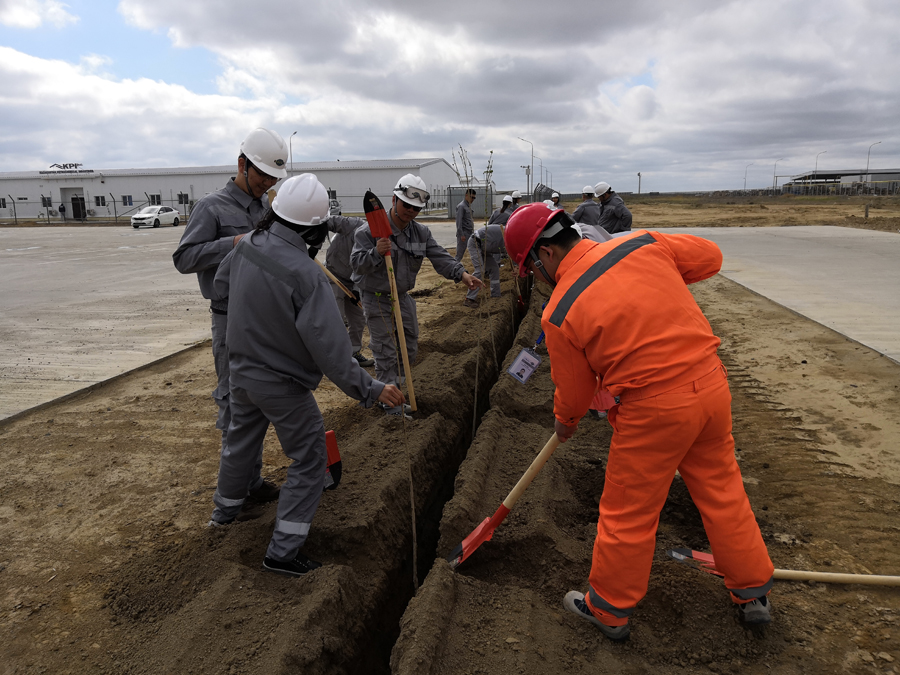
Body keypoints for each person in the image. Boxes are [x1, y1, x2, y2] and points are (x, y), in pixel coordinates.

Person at [503, 203, 774, 641]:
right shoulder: (643, 243)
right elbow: (710, 258)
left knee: (628, 511)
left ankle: (608, 608)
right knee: (723, 490)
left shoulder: (560, 310)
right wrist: (650, 276)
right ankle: (752, 591)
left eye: (532, 270)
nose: (537, 279)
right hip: (710, 387)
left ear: (546, 254)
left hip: (654, 410)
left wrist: (565, 422)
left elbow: (573, 394)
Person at [208, 173, 405, 576]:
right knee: (311, 457)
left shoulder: (246, 246)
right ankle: (282, 552)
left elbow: (220, 291)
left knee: (240, 445)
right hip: (282, 383)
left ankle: (223, 516)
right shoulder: (306, 274)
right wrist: (371, 389)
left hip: (241, 372)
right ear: (314, 229)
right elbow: (333, 353)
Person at [173, 128, 288, 505]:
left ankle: (251, 482)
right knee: (233, 401)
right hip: (229, 318)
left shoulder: (265, 208)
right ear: (242, 165)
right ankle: (235, 494)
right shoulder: (212, 207)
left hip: (262, 318)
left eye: (273, 179)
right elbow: (184, 258)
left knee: (256, 400)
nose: (267, 183)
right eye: (262, 176)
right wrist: (233, 243)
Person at [351, 174, 482, 416]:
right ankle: (388, 402)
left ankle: (397, 389)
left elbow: (440, 256)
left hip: (401, 296)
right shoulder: (369, 231)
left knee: (409, 344)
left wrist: (462, 274)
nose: (411, 211)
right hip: (376, 296)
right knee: (385, 348)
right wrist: (376, 253)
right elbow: (356, 265)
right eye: (407, 205)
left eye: (416, 208)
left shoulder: (421, 233)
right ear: (394, 200)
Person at [324, 212, 375, 367]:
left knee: (358, 318)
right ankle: (333, 357)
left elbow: (369, 269)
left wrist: (356, 289)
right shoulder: (353, 225)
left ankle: (353, 353)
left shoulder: (377, 244)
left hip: (355, 282)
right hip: (333, 275)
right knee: (336, 318)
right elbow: (328, 222)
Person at [463, 222, 506, 308]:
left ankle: (495, 295)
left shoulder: (511, 235)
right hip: (475, 242)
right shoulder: (508, 234)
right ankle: (469, 299)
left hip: (484, 247)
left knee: (494, 268)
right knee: (480, 270)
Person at [454, 188, 476, 262]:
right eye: (471, 197)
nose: (473, 199)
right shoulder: (461, 206)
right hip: (464, 233)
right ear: (466, 195)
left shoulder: (468, 206)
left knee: (475, 251)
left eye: (474, 198)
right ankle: (453, 269)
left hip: (470, 233)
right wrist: (461, 235)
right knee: (459, 254)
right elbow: (458, 222)